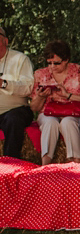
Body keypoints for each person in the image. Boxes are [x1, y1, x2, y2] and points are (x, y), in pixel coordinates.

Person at [29, 40, 80, 164]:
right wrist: (41, 97)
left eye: (56, 63)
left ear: (66, 60)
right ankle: (45, 164)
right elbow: (34, 108)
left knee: (68, 122)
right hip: (48, 112)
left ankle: (75, 162)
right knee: (49, 123)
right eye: (49, 63)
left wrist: (69, 96)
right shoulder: (40, 74)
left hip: (73, 112)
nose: (52, 67)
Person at [0, 25, 35, 158]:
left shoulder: (20, 59)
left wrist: (4, 83)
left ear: (5, 41)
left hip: (16, 110)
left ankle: (10, 163)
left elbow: (28, 88)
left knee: (13, 119)